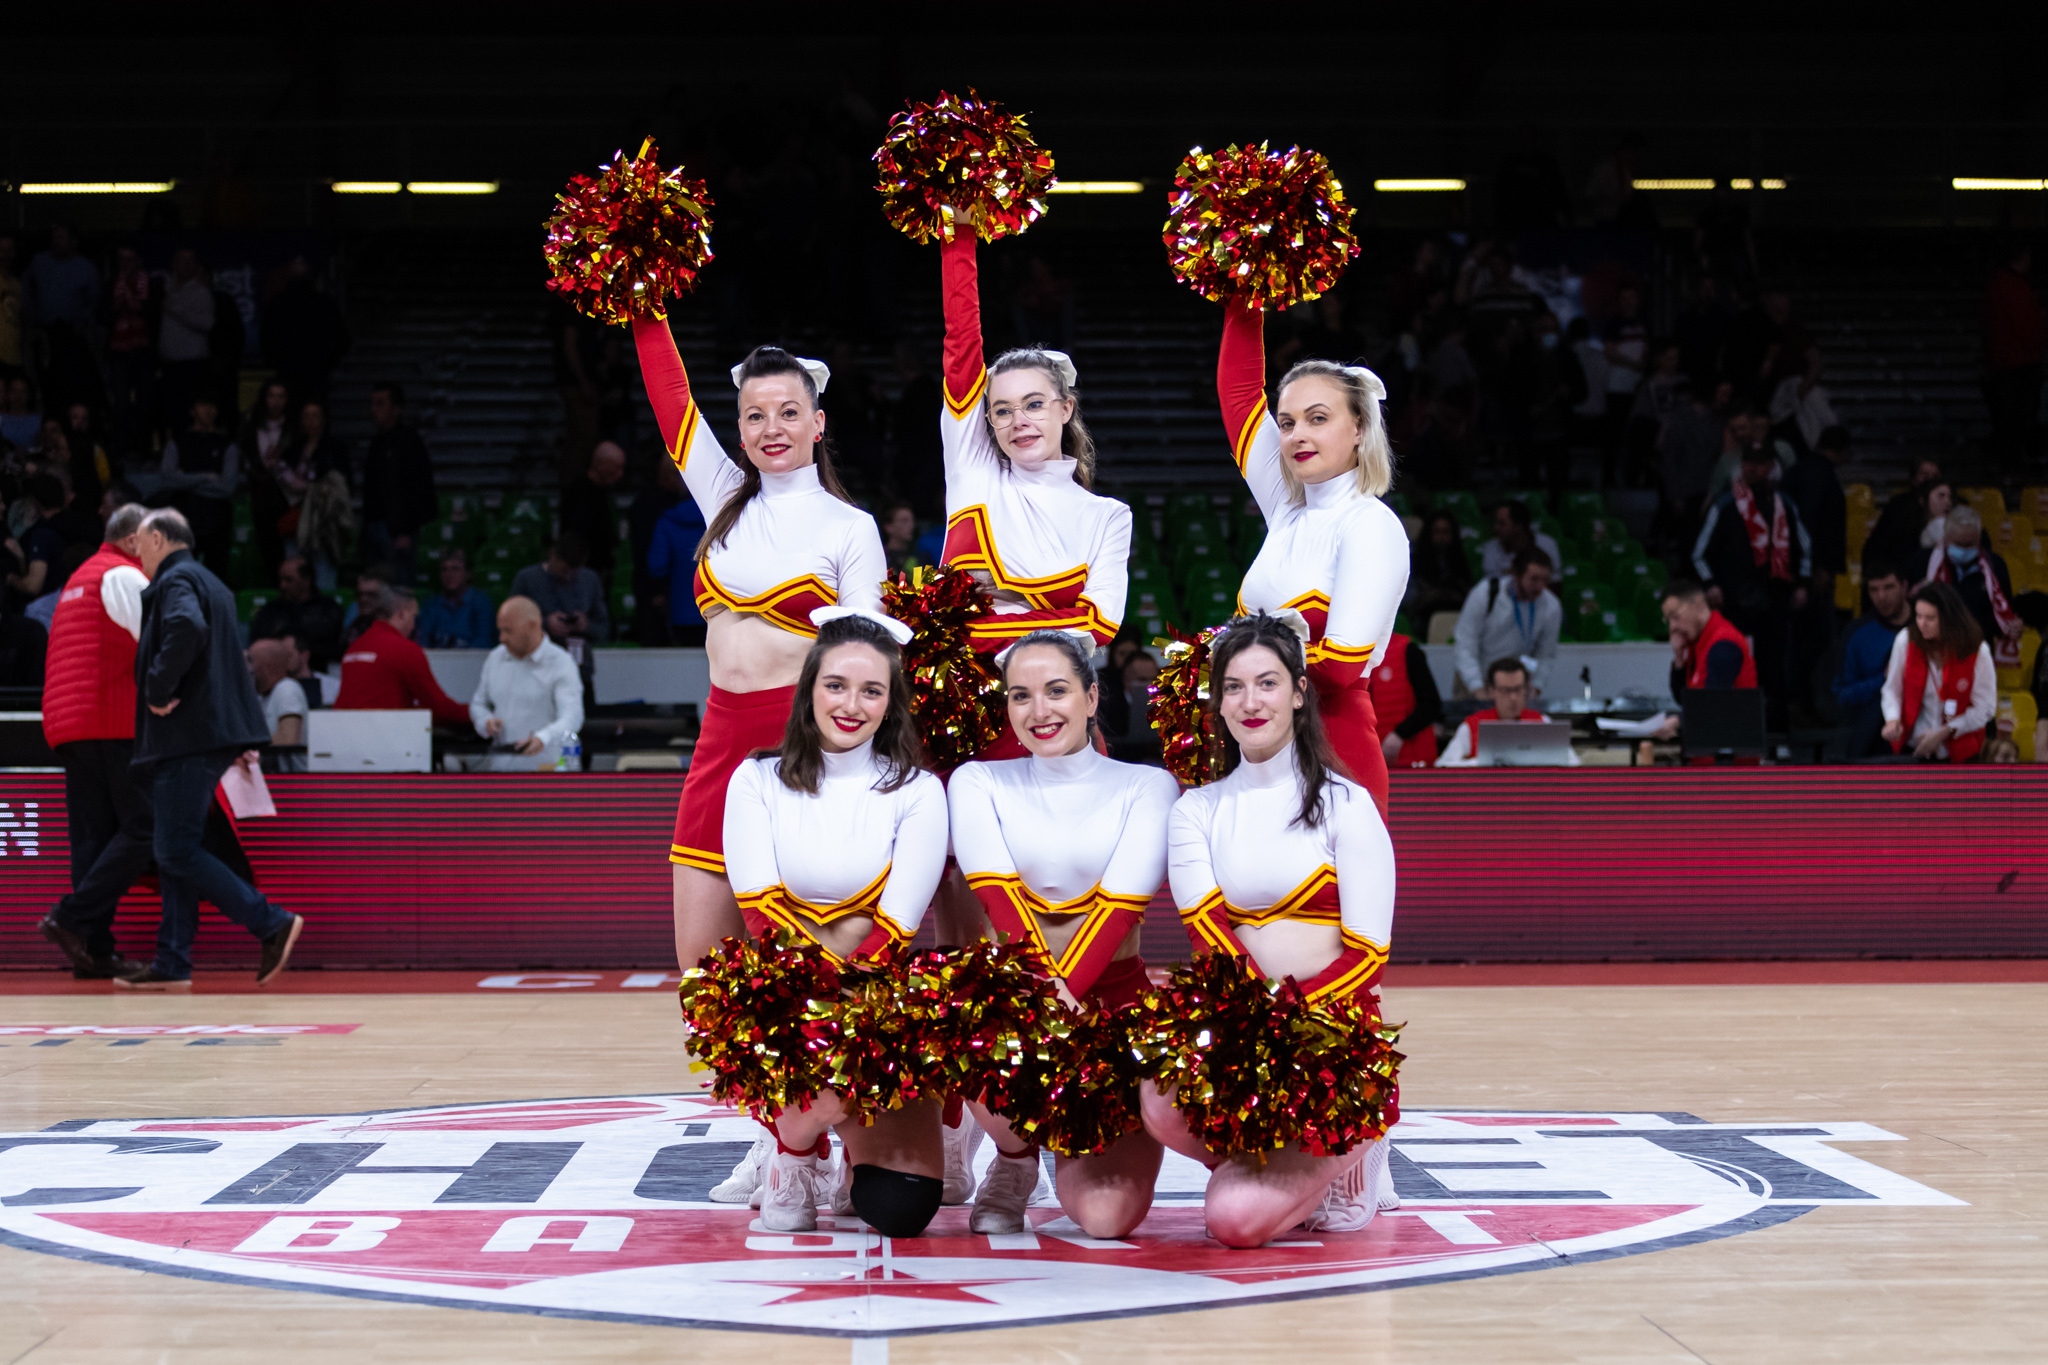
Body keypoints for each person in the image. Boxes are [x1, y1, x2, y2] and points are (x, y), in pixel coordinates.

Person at [629, 316, 887, 973]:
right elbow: (671, 400)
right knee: (701, 961)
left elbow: (869, 661)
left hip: (801, 742)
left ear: (818, 424)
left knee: (800, 959)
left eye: (788, 413)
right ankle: (737, 1083)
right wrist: (643, 294)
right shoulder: (722, 499)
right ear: (739, 430)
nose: (771, 429)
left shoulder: (850, 528)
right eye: (755, 416)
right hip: (719, 736)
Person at [1151, 613, 1397, 1243]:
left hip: (1328, 1033)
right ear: (1217, 700)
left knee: (1232, 1225)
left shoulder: (1348, 802)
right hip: (1243, 1026)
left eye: (1266, 683)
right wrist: (1256, 1033)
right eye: (1233, 686)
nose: (1250, 701)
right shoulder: (1196, 810)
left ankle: (1354, 1150)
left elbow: (1369, 951)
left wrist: (1294, 1023)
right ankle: (1275, 1158)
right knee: (1156, 1094)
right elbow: (1210, 936)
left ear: (1298, 691)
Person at [720, 610, 950, 1237]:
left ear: (892, 702)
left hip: (876, 1003)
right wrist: (817, 1001)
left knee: (901, 1211)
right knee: (789, 1038)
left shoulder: (919, 791)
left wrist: (845, 1007)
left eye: (872, 690)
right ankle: (795, 1155)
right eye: (837, 685)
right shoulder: (755, 779)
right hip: (786, 997)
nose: (852, 704)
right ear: (810, 690)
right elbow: (759, 910)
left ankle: (849, 1149)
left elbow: (897, 923)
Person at [948, 629, 1179, 1238]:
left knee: (1106, 1221)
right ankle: (1016, 1156)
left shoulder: (1147, 784)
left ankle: (1054, 1144)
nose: (1039, 711)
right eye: (1021, 696)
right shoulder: (976, 782)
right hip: (1019, 1007)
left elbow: (1120, 910)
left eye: (1057, 691)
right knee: (956, 1017)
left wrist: (1063, 1007)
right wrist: (1044, 1009)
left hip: (1114, 1009)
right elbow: (999, 902)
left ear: (1092, 696)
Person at [1212, 289, 1410, 814]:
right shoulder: (1286, 506)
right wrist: (1244, 284)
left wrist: (1235, 671)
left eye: (1318, 418)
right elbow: (1237, 393)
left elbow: (1343, 667)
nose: (1298, 434)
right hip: (1259, 753)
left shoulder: (1371, 525)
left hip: (1333, 752)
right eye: (1287, 422)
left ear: (1360, 428)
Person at [932, 221, 1131, 714]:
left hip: (1056, 715)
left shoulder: (1108, 516)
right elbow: (961, 344)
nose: (1018, 421)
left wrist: (995, 605)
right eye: (1002, 410)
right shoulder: (973, 469)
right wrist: (959, 234)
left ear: (1065, 409)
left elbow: (1100, 627)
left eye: (1035, 405)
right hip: (961, 714)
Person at [118, 508, 304, 992]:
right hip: (210, 733)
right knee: (181, 847)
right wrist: (238, 736)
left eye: (139, 543)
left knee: (174, 849)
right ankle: (172, 962)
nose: (136, 554)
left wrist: (157, 689)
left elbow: (186, 628)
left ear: (158, 538)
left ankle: (271, 922)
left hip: (186, 736)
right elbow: (224, 665)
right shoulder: (214, 584)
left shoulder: (175, 582)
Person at [35, 503, 151, 981]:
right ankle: (70, 917)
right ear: (131, 541)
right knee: (147, 827)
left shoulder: (80, 578)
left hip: (69, 723)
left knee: (93, 839)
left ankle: (93, 950)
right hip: (111, 718)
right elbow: (165, 642)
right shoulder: (125, 575)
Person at [1692, 440, 1811, 713]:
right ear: (1741, 465)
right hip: (1735, 603)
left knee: (1775, 666)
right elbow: (1698, 554)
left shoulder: (1785, 505)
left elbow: (1805, 549)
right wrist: (1710, 585)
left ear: (1771, 467)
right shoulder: (1724, 505)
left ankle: (1777, 732)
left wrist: (1803, 584)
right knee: (1736, 663)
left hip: (1775, 600)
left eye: (1761, 463)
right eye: (1749, 463)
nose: (1754, 469)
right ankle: (1735, 726)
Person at [1883, 582, 1995, 764]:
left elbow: (1985, 708)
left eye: (1930, 618)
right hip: (1916, 748)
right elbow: (1892, 689)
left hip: (1962, 752)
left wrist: (1944, 732)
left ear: (1949, 618)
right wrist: (1892, 719)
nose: (1922, 624)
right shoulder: (1906, 640)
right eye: (1918, 616)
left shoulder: (1977, 650)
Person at [469, 596, 584, 772]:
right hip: (502, 771)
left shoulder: (560, 662)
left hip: (549, 774)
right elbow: (478, 703)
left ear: (532, 626)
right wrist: (485, 721)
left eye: (508, 631)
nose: (502, 638)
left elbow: (572, 716)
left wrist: (543, 738)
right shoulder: (495, 658)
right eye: (500, 630)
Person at [333, 587, 471, 727]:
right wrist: (477, 713)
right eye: (413, 616)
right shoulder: (404, 650)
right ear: (401, 614)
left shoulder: (354, 647)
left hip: (344, 735)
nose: (413, 625)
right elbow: (438, 707)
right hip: (384, 737)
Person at [1653, 579, 1758, 742]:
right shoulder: (1697, 642)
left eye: (1675, 617)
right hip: (1704, 753)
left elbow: (1713, 706)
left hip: (1728, 760)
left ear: (1697, 605)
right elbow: (1684, 700)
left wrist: (1677, 721)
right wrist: (1679, 660)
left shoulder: (1723, 644)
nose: (1672, 627)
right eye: (1668, 620)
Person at [1452, 547, 1561, 698]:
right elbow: (1465, 645)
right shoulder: (1485, 594)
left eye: (1545, 580)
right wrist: (1477, 688)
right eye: (1534, 579)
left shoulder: (1551, 605)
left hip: (1516, 683)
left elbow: (1546, 654)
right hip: (1478, 677)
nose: (1540, 587)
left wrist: (1536, 687)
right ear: (1516, 574)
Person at [1925, 505, 2022, 668]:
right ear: (1947, 537)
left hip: (1979, 657)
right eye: (1958, 544)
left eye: (1968, 544)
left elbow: (2004, 616)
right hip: (1935, 656)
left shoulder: (1995, 567)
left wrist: (2012, 627)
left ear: (1978, 539)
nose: (1963, 550)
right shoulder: (1924, 565)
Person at [1436, 657, 1578, 767]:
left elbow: (1573, 763)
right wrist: (1480, 763)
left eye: (1518, 689)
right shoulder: (1472, 725)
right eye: (1505, 691)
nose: (1513, 697)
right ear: (1491, 692)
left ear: (1526, 688)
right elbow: (1443, 766)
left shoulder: (1542, 723)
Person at [360, 382, 436, 585]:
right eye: (373, 404)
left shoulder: (409, 442)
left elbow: (418, 489)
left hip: (396, 530)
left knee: (398, 587)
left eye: (380, 404)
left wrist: (406, 530)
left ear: (396, 408)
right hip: (376, 527)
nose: (374, 410)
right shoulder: (377, 443)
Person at [1834, 564, 1913, 758]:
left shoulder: (1928, 625)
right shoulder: (1857, 634)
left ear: (1904, 586)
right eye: (1874, 589)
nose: (1882, 597)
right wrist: (1884, 678)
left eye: (1888, 587)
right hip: (1873, 743)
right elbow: (1841, 695)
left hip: (1923, 741)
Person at [158, 396, 239, 574]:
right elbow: (167, 480)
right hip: (183, 524)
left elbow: (227, 487)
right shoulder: (177, 442)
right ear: (193, 410)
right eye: (203, 404)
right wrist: (206, 477)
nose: (208, 410)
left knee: (216, 576)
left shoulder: (227, 445)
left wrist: (185, 480)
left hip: (217, 523)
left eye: (212, 405)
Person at [1983, 240, 2044, 469]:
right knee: (2016, 417)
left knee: (2012, 418)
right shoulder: (2011, 286)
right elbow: (2027, 326)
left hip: (2008, 364)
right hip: (2018, 364)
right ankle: (2014, 461)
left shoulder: (2001, 284)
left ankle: (2012, 459)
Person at [510, 533, 611, 657]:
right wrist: (545, 624)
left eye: (574, 573)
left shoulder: (590, 580)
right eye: (564, 570)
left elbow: (603, 630)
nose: (568, 576)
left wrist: (586, 626)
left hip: (579, 657)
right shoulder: (526, 579)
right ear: (553, 556)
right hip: (537, 656)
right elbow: (511, 625)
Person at [643, 477, 709, 647]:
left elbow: (657, 565)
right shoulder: (721, 519)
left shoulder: (667, 521)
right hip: (716, 606)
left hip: (680, 610)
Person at [248, 557, 345, 670]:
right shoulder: (271, 610)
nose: (282, 586)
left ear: (306, 580)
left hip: (319, 671)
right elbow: (258, 643)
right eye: (280, 580)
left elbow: (333, 646)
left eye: (288, 580)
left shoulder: (328, 609)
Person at [1368, 628, 1444, 767]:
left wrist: (1399, 734)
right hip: (1369, 759)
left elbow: (1431, 704)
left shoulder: (1407, 650)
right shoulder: (1347, 652)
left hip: (1412, 757)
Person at [241, 380, 294, 581]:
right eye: (272, 396)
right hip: (260, 494)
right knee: (265, 545)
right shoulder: (251, 425)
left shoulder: (293, 428)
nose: (276, 402)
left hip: (286, 496)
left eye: (281, 396)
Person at [558, 439, 627, 589]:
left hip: (601, 571)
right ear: (600, 464)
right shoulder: (577, 493)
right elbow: (576, 535)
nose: (620, 474)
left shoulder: (605, 495)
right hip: (580, 572)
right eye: (616, 468)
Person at [246, 638, 308, 772]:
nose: (247, 668)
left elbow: (289, 738)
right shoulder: (263, 697)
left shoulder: (287, 689)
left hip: (292, 782)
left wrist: (247, 744)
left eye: (251, 661)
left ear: (266, 666)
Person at [417, 548, 496, 648]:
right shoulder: (431, 604)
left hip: (471, 661)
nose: (449, 575)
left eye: (455, 569)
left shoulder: (481, 603)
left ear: (468, 574)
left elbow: (483, 643)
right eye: (444, 569)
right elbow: (423, 641)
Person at [1407, 510, 1473, 626]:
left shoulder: (1460, 560)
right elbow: (1411, 601)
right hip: (1424, 618)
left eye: (1446, 532)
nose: (1441, 537)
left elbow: (1468, 594)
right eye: (1436, 532)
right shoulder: (1415, 561)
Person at [1480, 499, 1563, 581]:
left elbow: (1554, 582)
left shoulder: (1547, 544)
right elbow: (1492, 587)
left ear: (1519, 526)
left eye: (1502, 524)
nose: (1496, 528)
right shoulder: (1490, 548)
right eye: (1496, 523)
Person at [878, 500, 926, 573]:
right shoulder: (880, 558)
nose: (911, 526)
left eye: (912, 521)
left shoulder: (921, 558)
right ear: (888, 526)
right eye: (904, 521)